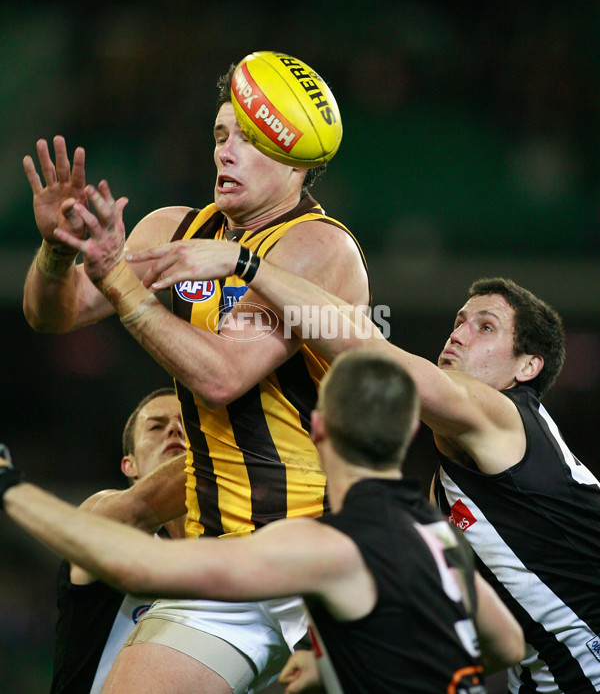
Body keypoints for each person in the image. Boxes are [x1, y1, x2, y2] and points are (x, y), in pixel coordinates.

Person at [21, 58, 370, 693]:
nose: (225, 153)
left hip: (322, 558)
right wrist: (55, 252)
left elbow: (222, 376)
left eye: (248, 140)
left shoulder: (317, 249)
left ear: (295, 161)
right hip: (224, 565)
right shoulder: (174, 229)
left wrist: (121, 282)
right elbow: (54, 313)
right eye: (219, 136)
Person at [131, 243, 600, 694]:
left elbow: (369, 352)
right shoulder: (449, 489)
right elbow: (494, 635)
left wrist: (245, 263)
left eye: (486, 327)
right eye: (459, 321)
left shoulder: (505, 416)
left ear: (528, 367)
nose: (458, 333)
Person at [0, 349, 525, 694]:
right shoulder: (433, 534)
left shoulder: (326, 545)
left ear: (315, 429)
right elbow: (507, 643)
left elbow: (142, 565)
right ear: (408, 432)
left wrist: (12, 489)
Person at [51, 387, 187, 694]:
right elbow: (136, 510)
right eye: (156, 426)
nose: (176, 429)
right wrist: (229, 451)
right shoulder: (103, 514)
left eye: (187, 423)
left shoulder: (229, 552)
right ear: (130, 465)